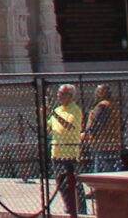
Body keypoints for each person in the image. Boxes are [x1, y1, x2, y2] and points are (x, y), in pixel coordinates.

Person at [48, 84, 85, 217]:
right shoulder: (57, 110)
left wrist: (54, 115)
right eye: (58, 93)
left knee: (75, 184)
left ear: (69, 96)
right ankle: (69, 207)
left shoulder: (75, 110)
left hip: (70, 153)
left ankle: (80, 210)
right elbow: (48, 128)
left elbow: (70, 126)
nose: (59, 96)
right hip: (57, 152)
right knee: (61, 183)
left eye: (62, 94)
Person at [85, 84, 121, 176]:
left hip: (102, 143)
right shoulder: (113, 105)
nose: (96, 94)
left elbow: (98, 123)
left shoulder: (102, 106)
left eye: (98, 92)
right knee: (112, 168)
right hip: (113, 143)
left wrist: (89, 132)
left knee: (102, 171)